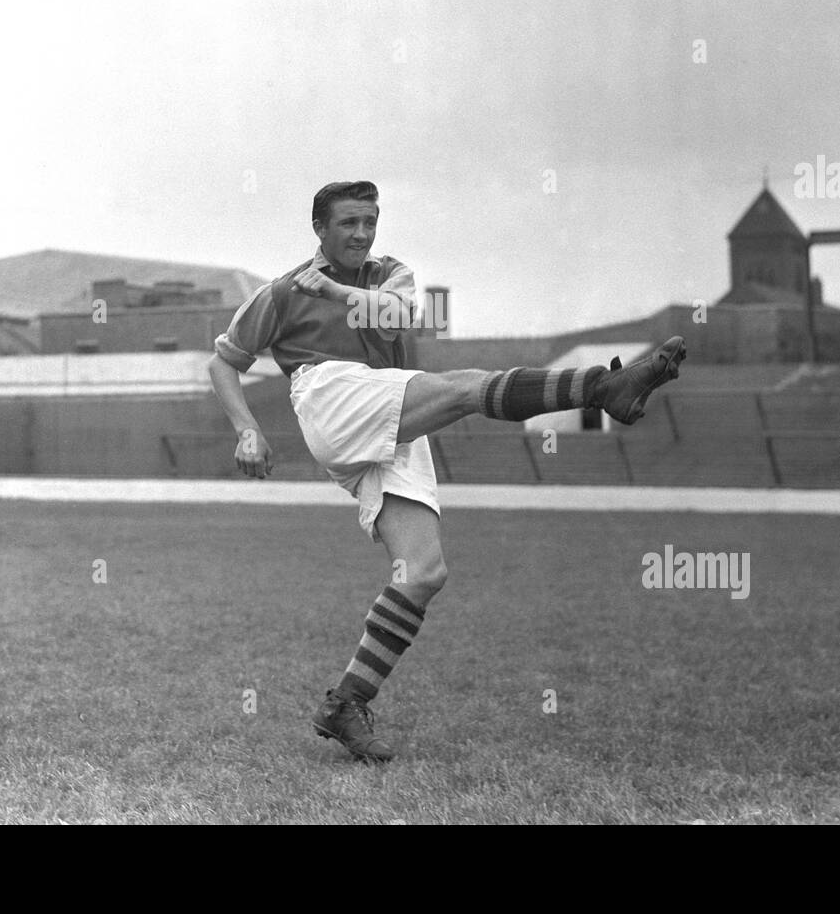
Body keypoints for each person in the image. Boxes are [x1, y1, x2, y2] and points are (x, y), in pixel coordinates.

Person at [208, 180, 686, 762]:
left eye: (370, 221)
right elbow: (225, 361)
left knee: (423, 572)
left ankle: (345, 703)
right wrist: (247, 429)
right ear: (320, 230)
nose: (362, 233)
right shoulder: (280, 292)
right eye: (349, 223)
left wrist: (333, 289)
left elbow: (401, 314)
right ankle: (602, 387)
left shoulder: (390, 272)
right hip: (329, 394)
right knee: (464, 388)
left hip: (388, 409)